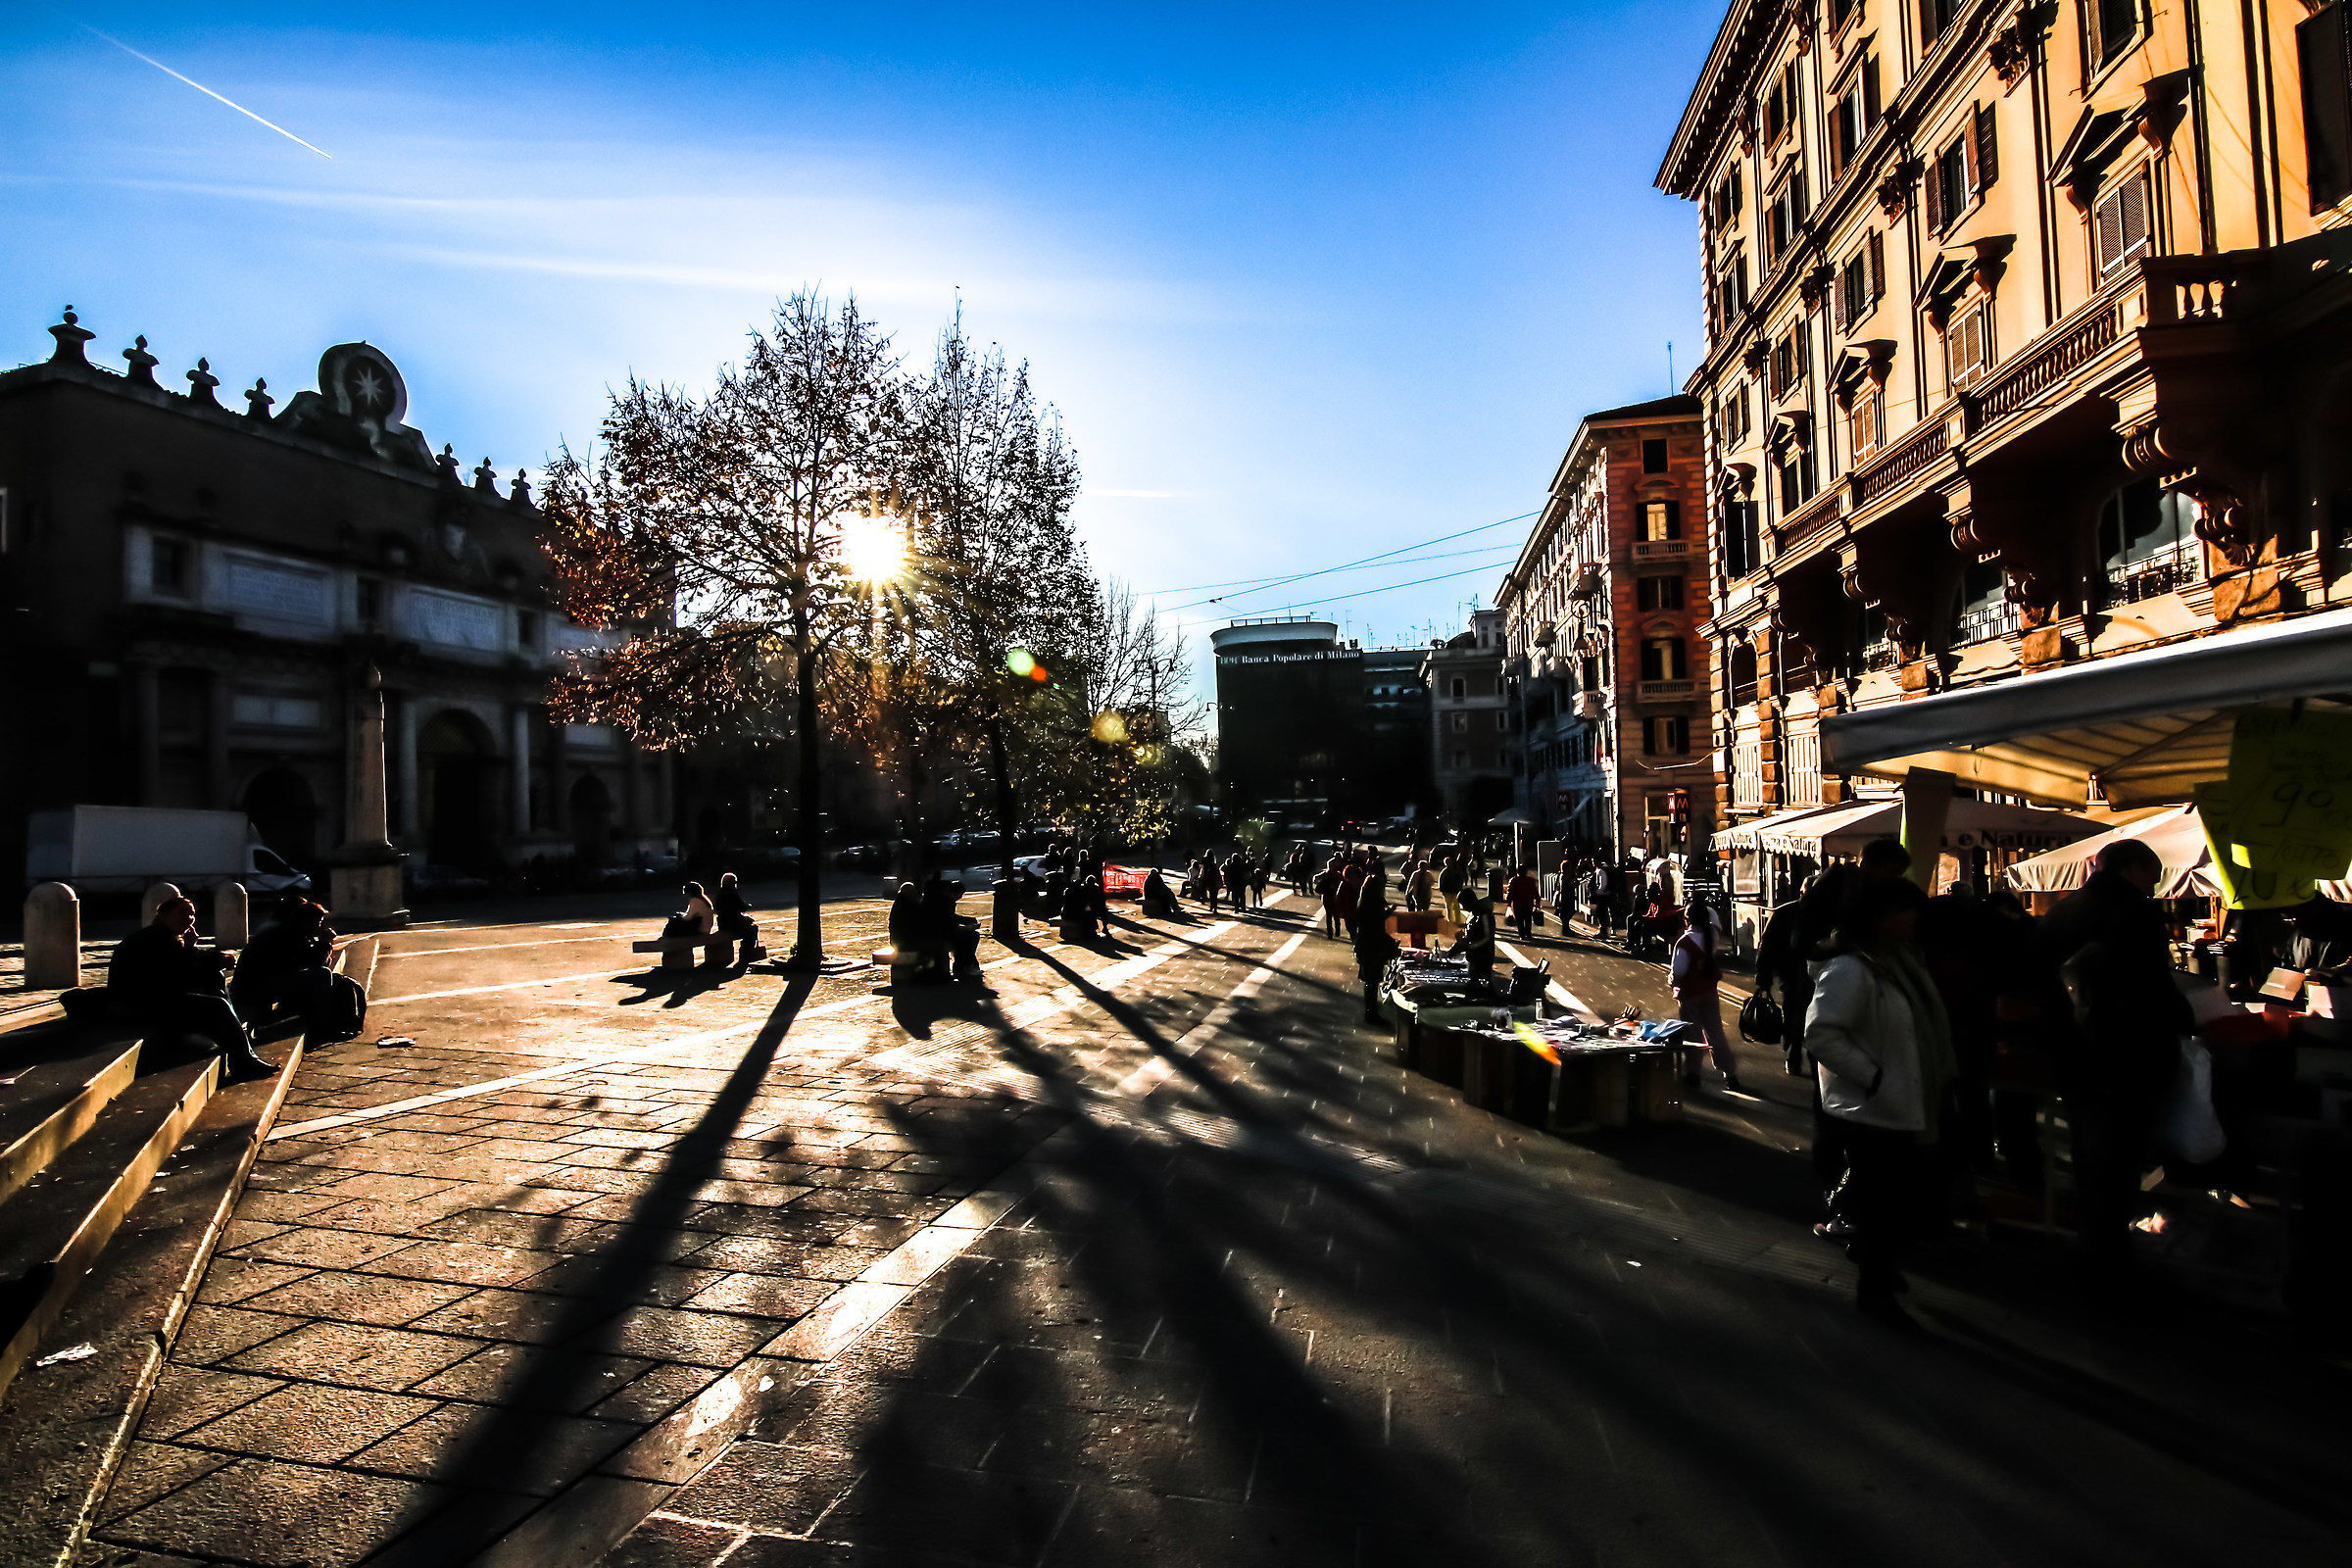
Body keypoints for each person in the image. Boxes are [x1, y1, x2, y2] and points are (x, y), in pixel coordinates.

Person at [2036, 838, 2195, 1291]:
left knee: (2092, 1156)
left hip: (2074, 1053)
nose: (2156, 884)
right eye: (2154, 874)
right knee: (2120, 1158)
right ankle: (2109, 1262)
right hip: (2127, 1053)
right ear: (2132, 870)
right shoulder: (2134, 913)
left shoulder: (2063, 911)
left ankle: (2092, 1250)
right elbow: (2151, 986)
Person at [1803, 873, 1951, 1324]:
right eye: (1902, 910)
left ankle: (1880, 1270)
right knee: (1883, 1203)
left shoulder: (1901, 962)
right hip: (1873, 1107)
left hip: (1907, 1097)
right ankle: (1875, 1289)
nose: (1912, 918)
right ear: (1878, 918)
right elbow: (1822, 1033)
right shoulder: (1853, 968)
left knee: (1898, 1200)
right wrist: (1873, 1078)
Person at [108, 897, 276, 1081]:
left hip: (157, 997)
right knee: (217, 1004)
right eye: (182, 913)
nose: (189, 918)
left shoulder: (165, 936)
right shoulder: (153, 940)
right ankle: (244, 1057)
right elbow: (180, 976)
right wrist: (190, 947)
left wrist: (219, 957)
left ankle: (240, 1054)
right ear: (163, 915)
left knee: (215, 981)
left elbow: (190, 960)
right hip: (138, 1002)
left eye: (192, 914)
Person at [232, 899, 363, 1043]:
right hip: (255, 989)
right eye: (318, 923)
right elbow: (315, 965)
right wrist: (325, 944)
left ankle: (337, 1022)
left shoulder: (292, 931)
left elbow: (311, 963)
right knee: (322, 975)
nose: (319, 927)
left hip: (265, 983)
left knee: (330, 977)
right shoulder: (288, 934)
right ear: (307, 921)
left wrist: (323, 946)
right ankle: (324, 1029)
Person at [1671, 903, 1740, 1093]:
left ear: (1687, 919)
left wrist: (1671, 980)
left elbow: (1679, 971)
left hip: (1690, 994)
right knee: (1716, 1033)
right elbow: (1714, 919)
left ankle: (1693, 1073)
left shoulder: (1684, 942)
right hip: (1710, 992)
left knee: (1693, 1036)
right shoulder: (1713, 936)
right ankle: (1730, 1073)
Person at [1351, 881, 1401, 1025]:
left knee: (1370, 981)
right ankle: (1371, 1013)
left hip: (1366, 947)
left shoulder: (1365, 902)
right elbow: (1376, 926)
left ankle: (1371, 1011)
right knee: (1372, 981)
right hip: (1372, 948)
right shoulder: (1374, 903)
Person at [922, 874, 985, 979]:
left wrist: (965, 921)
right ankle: (962, 967)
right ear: (954, 893)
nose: (960, 898)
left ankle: (967, 966)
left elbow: (948, 919)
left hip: (934, 931)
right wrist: (965, 925)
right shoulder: (945, 901)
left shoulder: (938, 898)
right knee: (970, 937)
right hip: (936, 933)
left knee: (968, 936)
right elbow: (947, 921)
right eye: (960, 894)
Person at [1449, 892, 1498, 982]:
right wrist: (1462, 940)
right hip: (1473, 956)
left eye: (1464, 904)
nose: (1463, 908)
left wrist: (1468, 947)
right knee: (1473, 980)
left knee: (1482, 982)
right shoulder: (1473, 914)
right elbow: (1473, 934)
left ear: (1470, 902)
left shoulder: (1485, 916)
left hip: (1483, 957)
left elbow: (1486, 938)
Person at [711, 872, 759, 965]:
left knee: (747, 925)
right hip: (732, 924)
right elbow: (741, 907)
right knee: (752, 930)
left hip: (723, 923)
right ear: (732, 883)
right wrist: (747, 906)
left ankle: (745, 954)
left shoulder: (720, 893)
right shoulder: (731, 892)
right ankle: (745, 955)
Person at [1505, 864, 1540, 943]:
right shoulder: (1530, 880)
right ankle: (1528, 933)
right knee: (1528, 919)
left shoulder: (1513, 880)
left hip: (1517, 904)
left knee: (1519, 920)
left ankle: (1522, 935)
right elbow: (1535, 891)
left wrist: (1509, 903)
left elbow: (1510, 893)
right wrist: (1537, 901)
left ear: (1518, 872)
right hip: (1528, 903)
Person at [1316, 858, 1345, 938]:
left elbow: (1315, 878)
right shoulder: (1339, 875)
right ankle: (1337, 932)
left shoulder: (1325, 874)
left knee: (1329, 916)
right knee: (1336, 915)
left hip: (1327, 897)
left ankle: (1330, 933)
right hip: (1335, 897)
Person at [1438, 853, 1467, 927]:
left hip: (1455, 891)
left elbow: (1461, 880)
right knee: (1449, 907)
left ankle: (1457, 921)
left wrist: (1460, 887)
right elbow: (1441, 882)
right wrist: (1442, 890)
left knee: (1456, 907)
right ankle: (1451, 921)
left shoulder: (1454, 871)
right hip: (1448, 891)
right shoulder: (1446, 872)